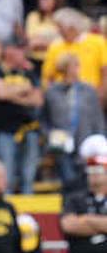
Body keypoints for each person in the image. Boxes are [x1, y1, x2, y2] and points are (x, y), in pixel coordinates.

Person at [43, 54, 107, 189]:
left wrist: (100, 140)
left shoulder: (88, 91)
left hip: (85, 143)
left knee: (86, 181)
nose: (77, 69)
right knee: (68, 181)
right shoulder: (52, 92)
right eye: (74, 66)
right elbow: (45, 119)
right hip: (62, 145)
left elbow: (98, 118)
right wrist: (49, 135)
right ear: (65, 68)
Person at [0, 40, 43, 195]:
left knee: (28, 176)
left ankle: (28, 207)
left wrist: (11, 95)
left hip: (29, 129)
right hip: (5, 130)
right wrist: (24, 89)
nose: (23, 54)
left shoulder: (28, 73)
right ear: (9, 51)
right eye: (20, 50)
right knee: (7, 176)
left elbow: (37, 100)